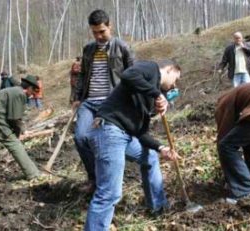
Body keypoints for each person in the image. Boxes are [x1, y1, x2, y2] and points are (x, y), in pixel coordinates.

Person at [85, 60, 181, 231]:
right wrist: (156, 94)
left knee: (150, 157)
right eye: (175, 79)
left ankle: (158, 207)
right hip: (109, 130)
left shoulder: (150, 97)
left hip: (124, 136)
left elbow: (140, 133)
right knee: (110, 193)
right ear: (169, 70)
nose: (174, 85)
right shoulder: (151, 69)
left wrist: (161, 148)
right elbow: (128, 75)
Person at [71, 9, 135, 192]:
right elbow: (83, 75)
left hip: (110, 103)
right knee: (81, 137)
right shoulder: (88, 49)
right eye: (95, 32)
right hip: (89, 102)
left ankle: (111, 180)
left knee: (104, 141)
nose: (99, 36)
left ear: (110, 26)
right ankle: (94, 179)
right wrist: (77, 97)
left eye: (102, 31)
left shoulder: (122, 47)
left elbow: (134, 74)